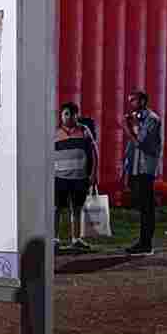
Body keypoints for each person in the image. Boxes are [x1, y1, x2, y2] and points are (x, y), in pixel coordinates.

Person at [122, 89, 162, 255]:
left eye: (134, 100)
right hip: (136, 167)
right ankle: (143, 241)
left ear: (143, 101)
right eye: (130, 100)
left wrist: (127, 128)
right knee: (142, 204)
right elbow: (132, 147)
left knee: (147, 206)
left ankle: (146, 244)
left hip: (146, 168)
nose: (130, 103)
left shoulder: (152, 119)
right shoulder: (137, 118)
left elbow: (140, 142)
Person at [54, 101, 98, 250]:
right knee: (56, 208)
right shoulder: (55, 133)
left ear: (77, 116)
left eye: (72, 114)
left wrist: (93, 174)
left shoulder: (84, 130)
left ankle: (76, 239)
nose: (69, 117)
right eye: (66, 114)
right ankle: (55, 240)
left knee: (77, 209)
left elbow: (94, 153)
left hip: (80, 178)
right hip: (59, 178)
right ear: (61, 116)